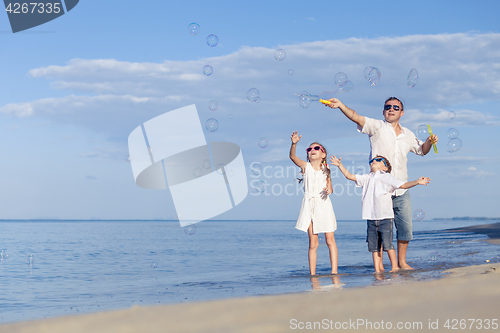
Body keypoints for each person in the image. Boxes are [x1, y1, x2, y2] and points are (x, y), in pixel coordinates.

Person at [325, 97, 438, 269]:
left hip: (400, 188)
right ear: (383, 111)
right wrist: (341, 105)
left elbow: (422, 151)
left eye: (395, 107)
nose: (391, 109)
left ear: (402, 112)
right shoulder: (377, 126)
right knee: (378, 230)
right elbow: (355, 116)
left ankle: (401, 262)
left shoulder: (408, 134)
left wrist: (429, 142)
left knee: (405, 228)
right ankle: (380, 267)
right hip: (378, 192)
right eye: (388, 107)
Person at [330, 154, 430, 272]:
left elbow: (403, 185)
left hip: (385, 217)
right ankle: (377, 269)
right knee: (374, 247)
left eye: (378, 160)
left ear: (385, 167)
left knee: (388, 245)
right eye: (372, 160)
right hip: (371, 217)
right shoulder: (367, 177)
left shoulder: (388, 177)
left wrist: (417, 182)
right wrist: (340, 165)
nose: (373, 161)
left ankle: (394, 267)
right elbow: (349, 176)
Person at [290, 131, 338, 275]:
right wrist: (294, 144)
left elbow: (331, 187)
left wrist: (329, 189)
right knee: (313, 243)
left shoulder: (327, 169)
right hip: (310, 206)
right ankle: (313, 274)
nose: (312, 151)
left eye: (316, 148)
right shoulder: (306, 167)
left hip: (324, 205)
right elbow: (292, 157)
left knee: (330, 240)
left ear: (323, 155)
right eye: (309, 149)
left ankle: (334, 272)